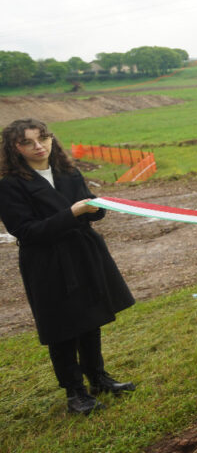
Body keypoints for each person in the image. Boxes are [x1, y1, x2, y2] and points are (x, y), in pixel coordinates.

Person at [0, 119, 136, 415]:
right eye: (28, 142)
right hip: (47, 262)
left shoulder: (68, 171)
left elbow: (90, 213)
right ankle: (75, 392)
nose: (39, 146)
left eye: (43, 138)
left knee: (91, 317)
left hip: (82, 252)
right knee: (62, 326)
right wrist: (72, 213)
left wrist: (99, 208)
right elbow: (26, 231)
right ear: (15, 148)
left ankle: (98, 378)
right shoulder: (9, 184)